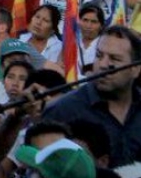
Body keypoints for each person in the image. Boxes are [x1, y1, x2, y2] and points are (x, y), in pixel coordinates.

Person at [43, 25, 141, 168]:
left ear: (135, 69)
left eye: (114, 59)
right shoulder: (63, 110)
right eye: (99, 55)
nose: (103, 64)